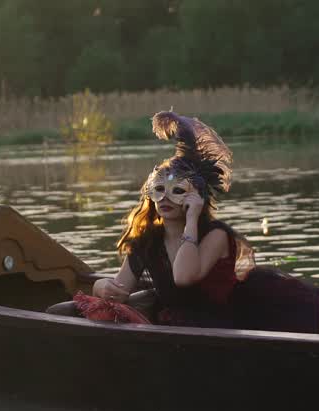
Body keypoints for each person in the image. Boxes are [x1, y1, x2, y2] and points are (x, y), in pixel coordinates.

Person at [91, 110, 255, 328]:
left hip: (217, 332)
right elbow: (119, 288)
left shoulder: (216, 235)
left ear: (197, 197)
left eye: (177, 190)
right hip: (169, 332)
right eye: (159, 189)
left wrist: (192, 218)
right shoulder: (148, 241)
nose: (165, 198)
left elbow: (183, 277)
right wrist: (101, 287)